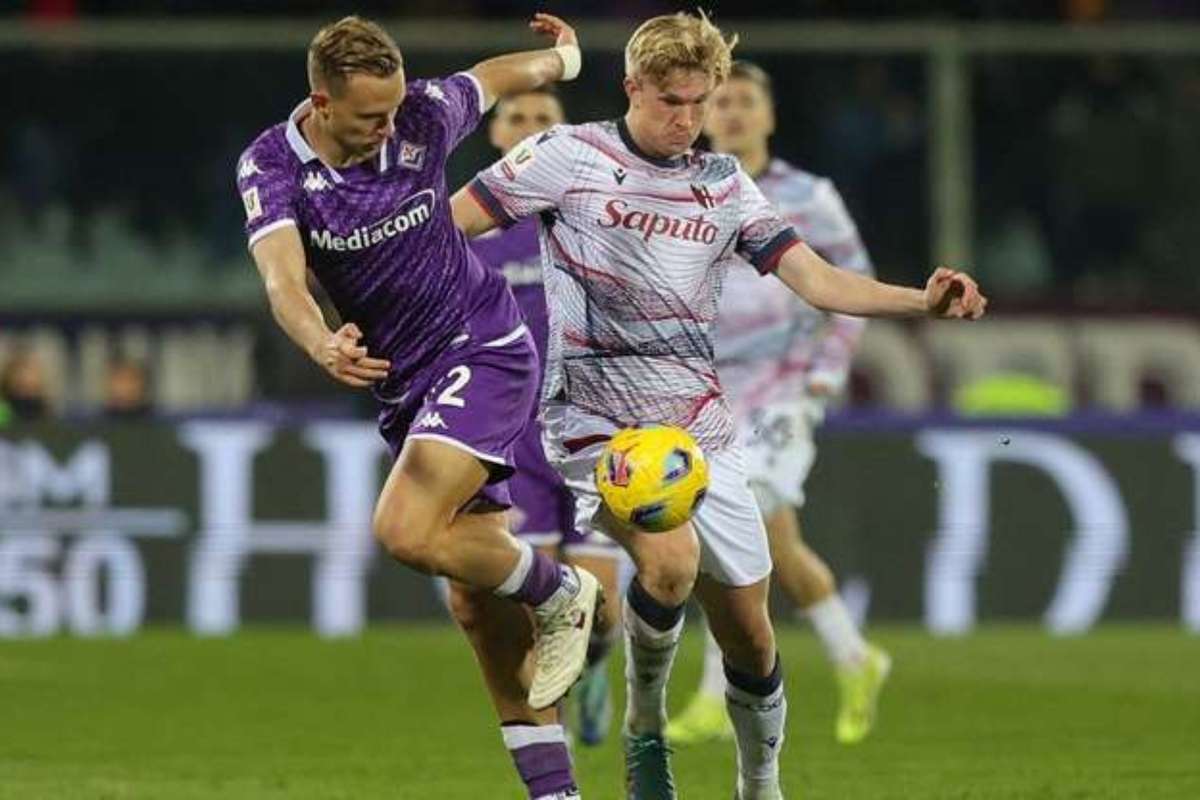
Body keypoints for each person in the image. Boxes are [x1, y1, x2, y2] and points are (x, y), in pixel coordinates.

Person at [452, 11, 986, 799]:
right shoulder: (567, 156)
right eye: (673, 101)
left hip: (700, 428)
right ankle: (645, 730)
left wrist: (923, 302)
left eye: (701, 102)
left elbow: (817, 280)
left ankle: (758, 782)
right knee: (668, 565)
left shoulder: (723, 184)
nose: (690, 120)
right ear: (632, 86)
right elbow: (443, 228)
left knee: (751, 634)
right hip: (596, 424)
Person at [235, 15, 599, 799]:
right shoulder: (273, 165)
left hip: (484, 346)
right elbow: (283, 282)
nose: (388, 128)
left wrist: (565, 58)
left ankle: (565, 592)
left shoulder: (424, 114)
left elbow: (499, 77)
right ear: (321, 103)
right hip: (409, 389)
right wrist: (320, 341)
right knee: (478, 607)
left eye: (394, 109)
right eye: (369, 117)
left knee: (403, 530)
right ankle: (558, 792)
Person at [665, 60, 889, 749]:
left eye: (745, 101)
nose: (731, 111)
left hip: (783, 386)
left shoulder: (808, 197)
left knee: (730, 519)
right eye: (720, 101)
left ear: (769, 116)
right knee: (774, 542)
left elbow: (856, 283)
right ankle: (857, 658)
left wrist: (827, 369)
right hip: (704, 390)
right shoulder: (682, 189)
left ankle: (713, 694)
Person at [461, 85, 623, 748]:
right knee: (537, 609)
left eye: (544, 120)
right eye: (516, 118)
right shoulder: (467, 231)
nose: (529, 127)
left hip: (588, 427)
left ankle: (594, 672)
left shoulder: (587, 220)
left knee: (604, 609)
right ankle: (551, 741)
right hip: (512, 438)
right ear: (497, 136)